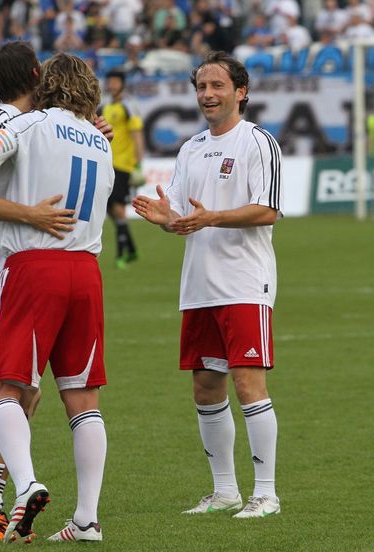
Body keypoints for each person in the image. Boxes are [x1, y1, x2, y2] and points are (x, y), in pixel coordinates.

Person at [0, 40, 113, 542]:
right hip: (66, 270)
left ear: (50, 81)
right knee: (65, 397)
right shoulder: (95, 138)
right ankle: (63, 517)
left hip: (26, 268)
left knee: (5, 390)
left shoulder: (27, 124)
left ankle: (13, 496)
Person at [132, 50, 283, 519]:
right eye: (201, 87)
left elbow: (269, 208)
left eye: (217, 86)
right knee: (205, 386)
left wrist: (211, 217)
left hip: (243, 282)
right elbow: (181, 215)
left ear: (241, 92)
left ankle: (266, 494)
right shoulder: (191, 147)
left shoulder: (258, 143)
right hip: (198, 284)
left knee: (247, 383)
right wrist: (165, 220)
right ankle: (225, 492)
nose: (207, 95)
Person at [101, 69, 144, 269]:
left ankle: (121, 255)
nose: (112, 84)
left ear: (122, 83)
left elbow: (137, 134)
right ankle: (132, 249)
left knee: (118, 208)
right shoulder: (107, 106)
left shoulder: (129, 105)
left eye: (115, 81)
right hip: (107, 163)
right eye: (110, 81)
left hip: (123, 164)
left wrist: (138, 164)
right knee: (110, 209)